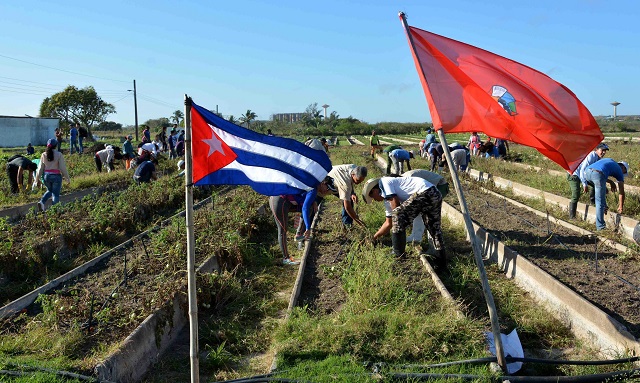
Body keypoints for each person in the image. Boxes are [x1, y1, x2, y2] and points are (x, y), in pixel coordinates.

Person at [363, 176, 446, 270]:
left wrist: (400, 223)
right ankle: (441, 263)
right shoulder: (387, 199)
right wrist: (374, 237)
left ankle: (398, 254)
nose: (376, 200)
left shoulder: (384, 182)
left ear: (374, 191)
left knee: (397, 215)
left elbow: (396, 207)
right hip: (435, 194)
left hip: (425, 192)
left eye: (373, 198)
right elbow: (388, 223)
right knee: (433, 228)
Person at [269, 177, 337, 265]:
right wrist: (308, 228)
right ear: (322, 183)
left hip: (288, 201)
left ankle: (299, 235)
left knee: (311, 207)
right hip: (279, 199)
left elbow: (305, 204)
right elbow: (304, 209)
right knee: (282, 229)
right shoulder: (313, 189)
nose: (326, 191)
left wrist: (314, 202)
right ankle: (286, 258)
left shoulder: (313, 187)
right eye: (327, 188)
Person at [402, 169, 450, 245]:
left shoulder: (409, 178)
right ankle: (416, 236)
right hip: (432, 188)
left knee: (428, 214)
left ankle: (433, 244)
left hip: (440, 186)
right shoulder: (403, 180)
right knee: (419, 212)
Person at [583, 159, 628, 231]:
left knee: (603, 191)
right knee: (599, 201)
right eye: (624, 172)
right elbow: (621, 192)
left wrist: (610, 182)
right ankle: (600, 227)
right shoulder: (619, 171)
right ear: (623, 168)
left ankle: (604, 206)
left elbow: (597, 171)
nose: (623, 174)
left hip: (586, 172)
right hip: (597, 174)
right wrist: (620, 207)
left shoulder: (610, 161)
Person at [567, 143, 609, 218]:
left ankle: (593, 202)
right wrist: (584, 184)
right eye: (602, 150)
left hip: (584, 175)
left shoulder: (598, 159)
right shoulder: (592, 155)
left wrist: (606, 183)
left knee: (597, 184)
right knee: (576, 193)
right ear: (596, 149)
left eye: (605, 151)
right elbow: (582, 169)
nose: (604, 152)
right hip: (574, 173)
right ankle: (572, 216)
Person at [327, 164, 368, 228]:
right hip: (325, 181)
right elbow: (347, 207)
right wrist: (359, 221)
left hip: (337, 179)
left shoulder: (354, 168)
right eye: (358, 180)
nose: (359, 183)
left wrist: (352, 193)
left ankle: (347, 224)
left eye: (361, 181)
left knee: (350, 199)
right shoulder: (345, 184)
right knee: (314, 203)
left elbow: (350, 182)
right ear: (353, 175)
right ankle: (307, 229)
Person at [36, 138, 70, 211]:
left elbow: (40, 168)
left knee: (50, 190)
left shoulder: (44, 155)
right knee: (55, 194)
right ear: (56, 146)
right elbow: (62, 167)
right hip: (56, 176)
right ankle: (55, 210)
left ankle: (41, 202)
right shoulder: (59, 154)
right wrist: (67, 178)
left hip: (46, 177)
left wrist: (37, 179)